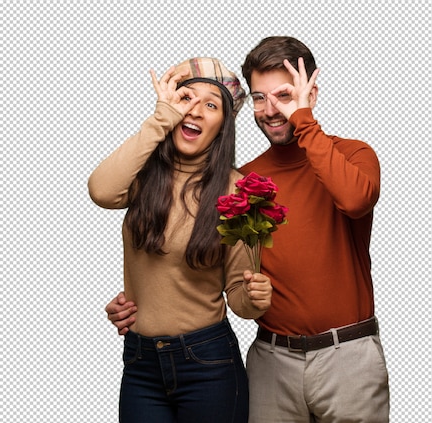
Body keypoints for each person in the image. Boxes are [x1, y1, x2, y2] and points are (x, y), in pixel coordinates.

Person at [106, 37, 389, 422]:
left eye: (285, 95)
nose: (271, 110)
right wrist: (145, 302)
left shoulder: (354, 154)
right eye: (259, 97)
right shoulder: (245, 182)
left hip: (347, 356)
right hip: (271, 359)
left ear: (311, 94)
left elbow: (355, 200)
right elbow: (212, 273)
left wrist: (303, 120)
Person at [88, 57, 272, 423]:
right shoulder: (142, 177)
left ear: (223, 125)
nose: (196, 112)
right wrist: (160, 118)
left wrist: (256, 298)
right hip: (141, 362)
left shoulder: (238, 192)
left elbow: (239, 298)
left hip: (208, 363)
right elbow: (101, 191)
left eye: (211, 105)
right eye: (187, 98)